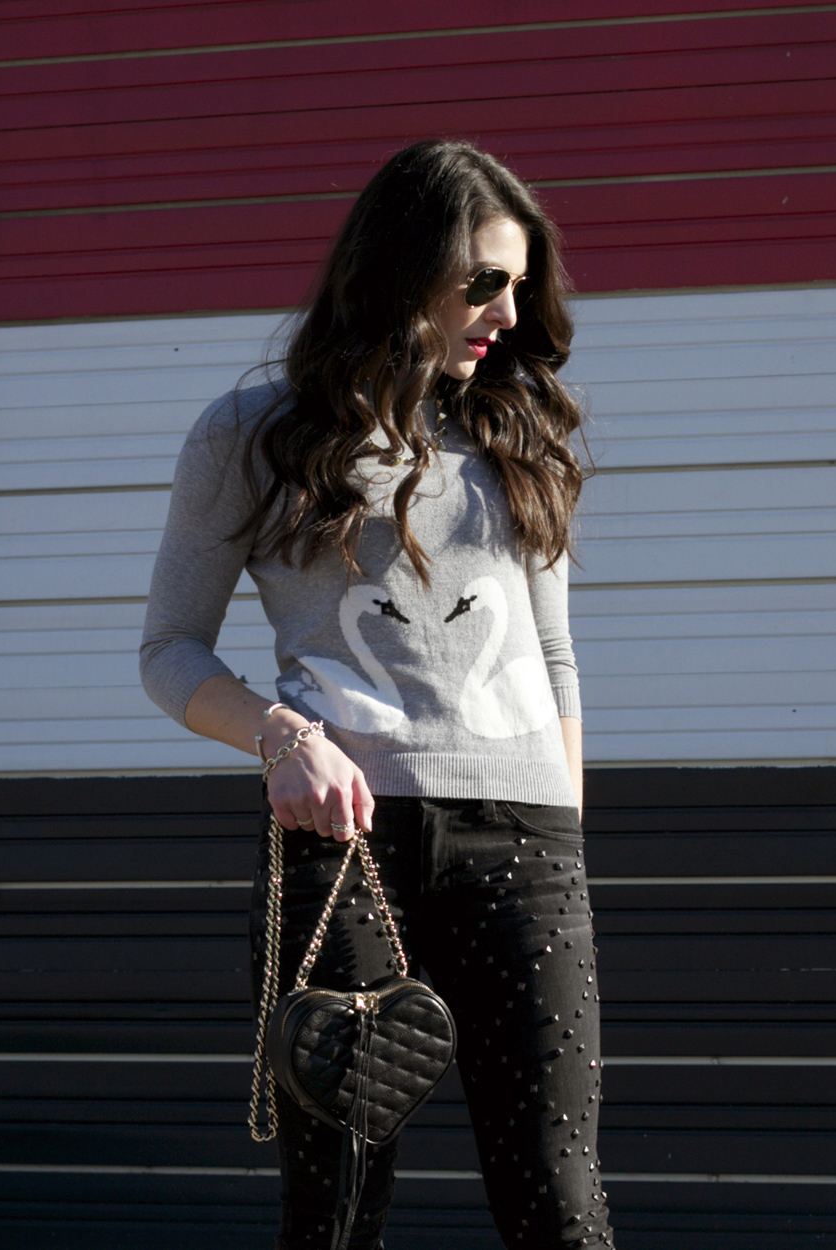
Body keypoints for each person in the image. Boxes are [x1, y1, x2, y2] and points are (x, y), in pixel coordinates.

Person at [140, 140, 614, 1249]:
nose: (506, 308)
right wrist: (280, 734)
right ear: (402, 270)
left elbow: (554, 660)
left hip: (526, 848)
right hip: (346, 841)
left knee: (559, 1197)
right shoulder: (252, 433)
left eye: (518, 281)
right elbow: (168, 649)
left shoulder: (517, 430)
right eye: (481, 281)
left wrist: (564, 840)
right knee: (340, 1201)